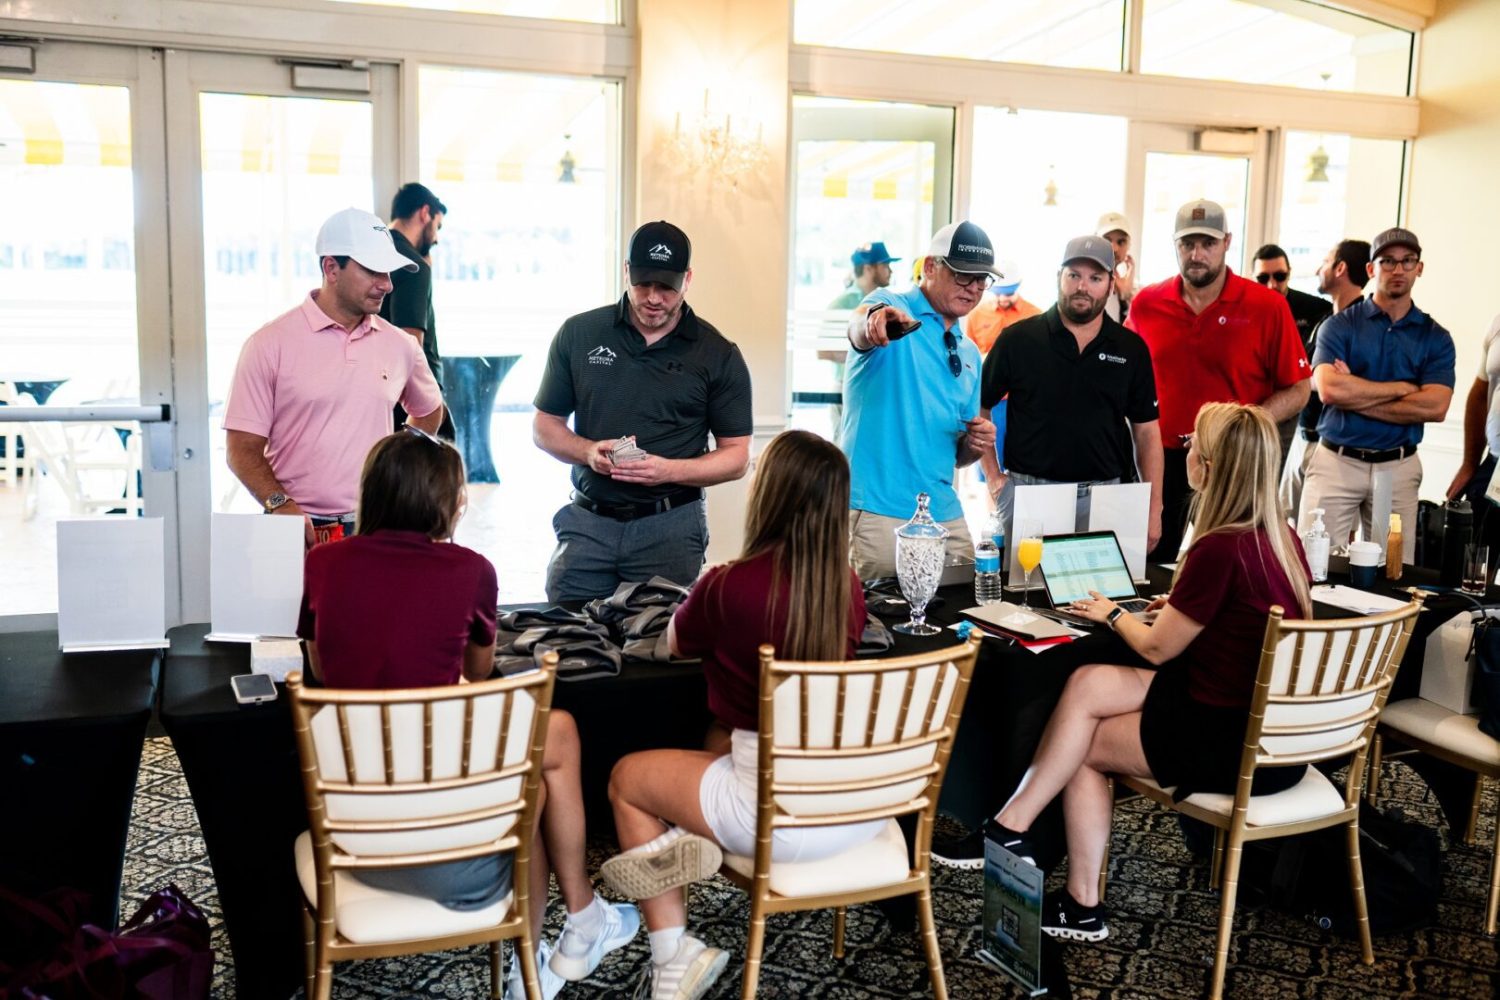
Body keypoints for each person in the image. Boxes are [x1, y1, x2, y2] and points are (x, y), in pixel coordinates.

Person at [297, 429, 638, 999]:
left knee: (549, 740)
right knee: (538, 776)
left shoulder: (322, 563)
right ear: (443, 501)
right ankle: (552, 943)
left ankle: (579, 921)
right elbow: (478, 675)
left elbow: (324, 671)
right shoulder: (471, 571)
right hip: (461, 863)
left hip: (351, 843)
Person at [980, 403, 1312, 941]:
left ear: (1205, 464)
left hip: (1228, 739)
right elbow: (1220, 621)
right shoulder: (1281, 539)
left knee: (1084, 748)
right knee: (1087, 682)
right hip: (1273, 734)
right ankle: (1012, 823)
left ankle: (1078, 899)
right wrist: (1174, 606)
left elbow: (1157, 651)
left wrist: (1112, 611)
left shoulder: (1219, 548)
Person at [599, 430, 879, 1000]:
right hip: (860, 807)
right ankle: (680, 836)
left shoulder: (727, 586)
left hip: (774, 819)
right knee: (717, 736)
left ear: (769, 496)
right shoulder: (846, 589)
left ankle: (674, 959)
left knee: (626, 779)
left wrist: (703, 593)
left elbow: (675, 645)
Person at [532, 220, 752, 602]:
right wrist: (587, 452)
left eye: (666, 286)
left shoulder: (718, 353)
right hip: (587, 524)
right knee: (569, 643)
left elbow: (736, 457)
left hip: (670, 528)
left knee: (658, 652)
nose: (653, 297)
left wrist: (667, 470)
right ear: (626, 272)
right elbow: (544, 426)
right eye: (643, 283)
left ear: (687, 279)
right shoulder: (580, 334)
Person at [224, 207, 445, 545]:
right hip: (295, 529)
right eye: (373, 271)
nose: (386, 285)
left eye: (389, 273)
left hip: (375, 527)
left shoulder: (401, 345)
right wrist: (279, 504)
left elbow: (430, 410)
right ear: (331, 268)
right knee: (298, 602)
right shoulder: (268, 344)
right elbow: (241, 449)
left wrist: (396, 470)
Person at [1126, 199, 1310, 562]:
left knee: (1238, 562)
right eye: (1187, 244)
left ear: (1226, 242)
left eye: (1208, 244)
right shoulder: (1147, 303)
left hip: (1237, 459)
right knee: (1149, 558)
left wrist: (1237, 429)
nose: (1197, 254)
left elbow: (1299, 388)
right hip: (1162, 460)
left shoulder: (1267, 306)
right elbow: (1127, 378)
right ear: (1175, 245)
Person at [979, 235, 1163, 551]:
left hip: (1107, 498)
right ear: (1059, 278)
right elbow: (978, 407)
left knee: (1102, 597)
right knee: (1027, 596)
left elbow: (1147, 433)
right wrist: (994, 477)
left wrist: (1153, 506)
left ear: (1110, 285)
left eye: (1095, 278)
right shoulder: (1018, 340)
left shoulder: (1130, 349)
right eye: (1073, 275)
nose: (1082, 286)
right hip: (1031, 494)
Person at [840, 221, 999, 578]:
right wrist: (872, 324)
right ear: (930, 267)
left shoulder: (970, 353)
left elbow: (959, 456)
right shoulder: (894, 308)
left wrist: (975, 444)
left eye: (981, 279)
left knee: (965, 610)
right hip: (880, 509)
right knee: (878, 626)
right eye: (962, 275)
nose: (973, 287)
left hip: (943, 511)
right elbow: (860, 328)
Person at [1297, 228, 1455, 561]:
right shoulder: (1339, 326)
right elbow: (1329, 389)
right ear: (1371, 269)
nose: (1398, 270)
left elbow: (1437, 405)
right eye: (1387, 262)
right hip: (1335, 462)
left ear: (1419, 268)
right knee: (1312, 566)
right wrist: (1402, 389)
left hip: (1397, 467)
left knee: (1393, 573)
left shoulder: (1435, 337)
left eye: (1407, 261)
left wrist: (1355, 392)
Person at [1279, 239, 1371, 517]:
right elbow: (1311, 377)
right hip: (1302, 437)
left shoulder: (1361, 326)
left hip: (1331, 446)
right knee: (1283, 525)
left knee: (1319, 538)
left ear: (1340, 268)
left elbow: (1333, 386)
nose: (1320, 268)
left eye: (1326, 261)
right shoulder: (1325, 319)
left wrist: (1325, 381)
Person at [381, 182, 456, 439]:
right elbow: (409, 347)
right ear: (425, 213)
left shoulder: (374, 255)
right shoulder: (412, 265)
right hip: (411, 406)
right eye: (438, 226)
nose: (435, 238)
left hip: (377, 397)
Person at [1253, 242, 1334, 468]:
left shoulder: (1315, 308)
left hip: (1297, 404)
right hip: (1252, 402)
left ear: (1289, 274)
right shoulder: (1245, 307)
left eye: (1279, 276)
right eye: (1263, 278)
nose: (1272, 285)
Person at [1448, 309, 1500, 556]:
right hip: (1494, 465)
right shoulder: (1498, 322)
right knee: (1474, 564)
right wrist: (1469, 464)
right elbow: (1480, 394)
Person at [964, 260, 1041, 355]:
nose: (1003, 298)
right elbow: (968, 354)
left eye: (1009, 293)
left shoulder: (1036, 316)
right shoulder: (976, 315)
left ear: (1019, 286)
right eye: (998, 293)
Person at [828, 241, 900, 309]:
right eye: (885, 266)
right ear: (868, 269)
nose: (891, 271)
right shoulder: (841, 304)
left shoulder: (883, 300)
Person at [1095, 211, 1136, 323]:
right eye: (1107, 240)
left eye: (1121, 241)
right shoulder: (1085, 285)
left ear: (1129, 245)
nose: (1114, 248)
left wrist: (1126, 298)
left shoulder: (1135, 290)